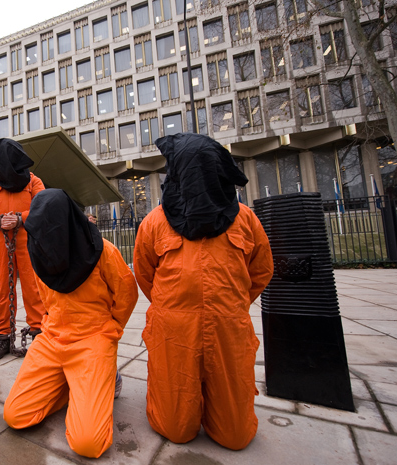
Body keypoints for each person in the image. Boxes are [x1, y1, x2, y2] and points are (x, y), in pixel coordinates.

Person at [133, 133, 274, 450]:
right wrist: (172, 308)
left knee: (236, 436)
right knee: (175, 429)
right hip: (173, 333)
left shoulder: (245, 219)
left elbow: (261, 269)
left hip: (228, 331)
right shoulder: (155, 222)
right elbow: (144, 272)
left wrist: (232, 306)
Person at [4, 189, 138, 458]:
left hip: (93, 339)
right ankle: (76, 384)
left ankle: (109, 379)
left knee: (88, 443)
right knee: (16, 415)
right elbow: (44, 299)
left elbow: (127, 293)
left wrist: (109, 330)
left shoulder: (102, 251)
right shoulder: (39, 252)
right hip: (53, 337)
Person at [0, 138, 46, 361]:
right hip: (0, 242)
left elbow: (42, 205)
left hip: (28, 240)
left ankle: (38, 332)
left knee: (33, 287)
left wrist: (20, 218)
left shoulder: (34, 181)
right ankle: (4, 336)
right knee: (3, 290)